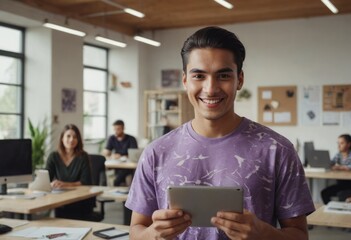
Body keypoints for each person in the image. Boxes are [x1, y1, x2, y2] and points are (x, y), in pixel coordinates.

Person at [125, 26, 315, 239]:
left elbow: (300, 235)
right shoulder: (156, 152)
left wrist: (262, 233)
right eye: (199, 75)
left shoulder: (277, 150)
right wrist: (153, 234)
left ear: (239, 80)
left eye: (223, 75)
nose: (211, 88)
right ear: (185, 80)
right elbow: (136, 231)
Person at [46, 124, 95, 220]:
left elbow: (86, 181)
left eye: (75, 137)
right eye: (68, 136)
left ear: (78, 140)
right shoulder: (53, 156)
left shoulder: (83, 156)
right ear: (62, 138)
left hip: (80, 200)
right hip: (60, 199)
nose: (72, 139)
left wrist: (65, 184)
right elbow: (46, 179)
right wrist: (51, 184)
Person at [102, 120, 138, 186]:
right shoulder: (112, 138)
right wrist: (109, 153)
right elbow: (106, 151)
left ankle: (118, 184)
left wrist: (121, 156)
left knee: (120, 177)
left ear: (123, 128)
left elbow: (134, 155)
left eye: (118, 129)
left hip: (128, 166)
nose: (116, 131)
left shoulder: (131, 139)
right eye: (114, 129)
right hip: (116, 164)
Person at [321, 134, 351, 204]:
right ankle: (329, 209)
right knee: (324, 193)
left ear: (349, 144)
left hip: (349, 185)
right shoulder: (338, 154)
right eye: (338, 143)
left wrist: (340, 167)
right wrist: (325, 162)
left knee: (341, 195)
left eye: (342, 143)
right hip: (341, 185)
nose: (339, 146)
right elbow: (331, 163)